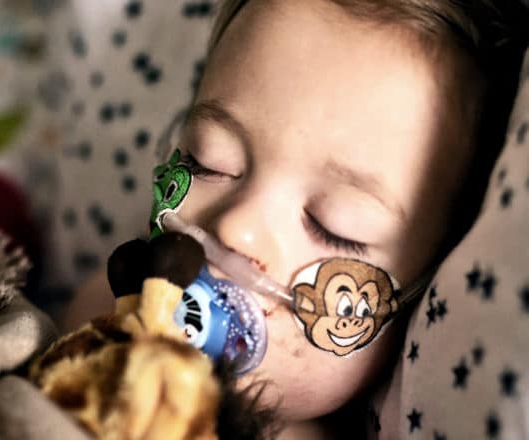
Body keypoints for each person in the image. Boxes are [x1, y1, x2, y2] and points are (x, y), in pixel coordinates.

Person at [58, 0, 528, 438]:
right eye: (209, 162)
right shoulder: (104, 309)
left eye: (334, 225)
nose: (236, 228)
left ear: (426, 289)